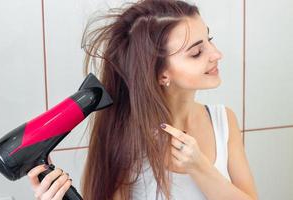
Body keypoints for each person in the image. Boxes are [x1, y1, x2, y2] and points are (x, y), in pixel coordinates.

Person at [27, 0, 258, 199]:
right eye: (196, 52)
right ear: (161, 73)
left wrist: (199, 168)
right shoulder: (127, 137)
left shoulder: (223, 120)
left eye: (209, 39)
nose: (217, 54)